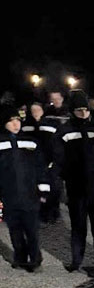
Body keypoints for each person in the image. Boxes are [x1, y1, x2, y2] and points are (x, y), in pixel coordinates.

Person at [52, 91, 94, 272]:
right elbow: (58, 158)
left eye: (86, 110)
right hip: (76, 186)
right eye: (79, 110)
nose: (84, 113)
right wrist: (60, 179)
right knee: (78, 226)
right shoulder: (64, 131)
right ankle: (76, 260)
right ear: (72, 111)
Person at [0, 106, 49, 271]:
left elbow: (40, 166)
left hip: (30, 194)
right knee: (14, 229)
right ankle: (20, 257)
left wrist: (43, 189)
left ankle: (35, 259)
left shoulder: (31, 141)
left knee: (32, 229)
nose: (16, 124)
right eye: (11, 121)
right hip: (8, 194)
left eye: (18, 121)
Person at [25, 102, 62, 222]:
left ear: (43, 110)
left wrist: (55, 159)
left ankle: (52, 213)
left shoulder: (52, 124)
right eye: (33, 110)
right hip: (34, 162)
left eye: (38, 109)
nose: (35, 112)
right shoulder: (26, 125)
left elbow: (58, 143)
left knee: (54, 188)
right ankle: (39, 212)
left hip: (51, 161)